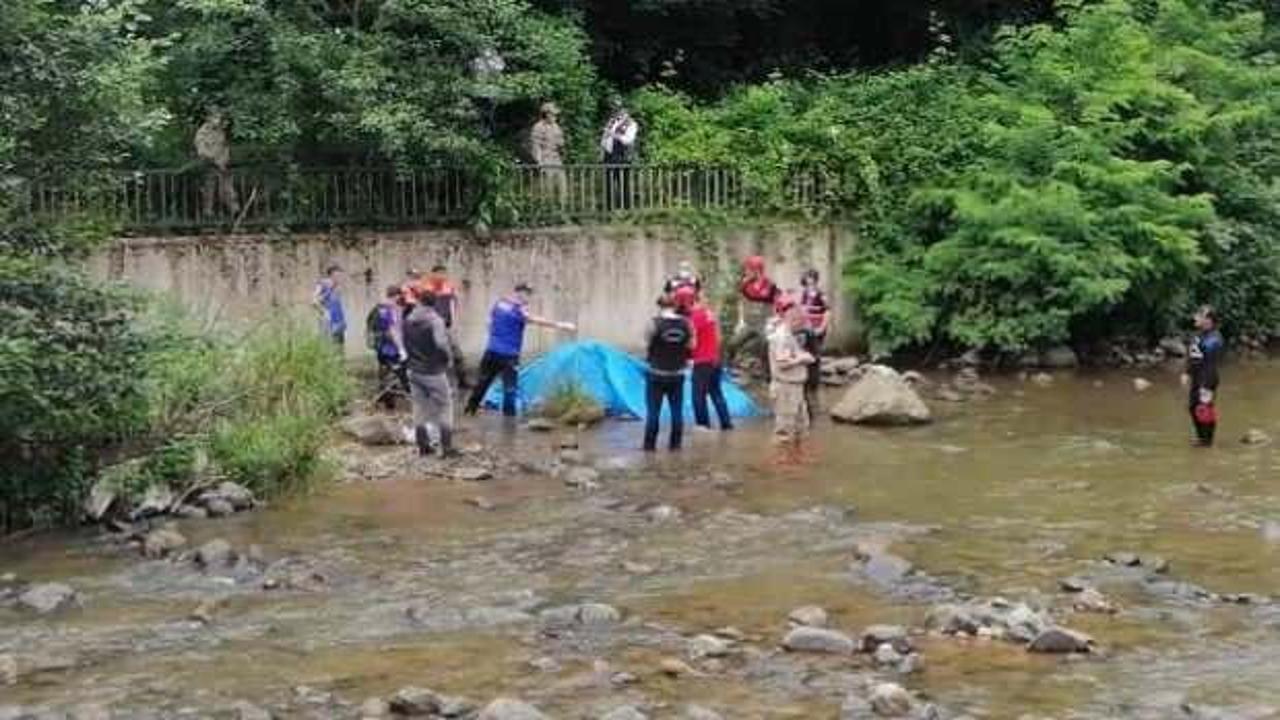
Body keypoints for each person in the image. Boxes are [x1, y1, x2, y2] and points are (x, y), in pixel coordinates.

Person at [464, 283, 576, 417]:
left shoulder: (500, 303)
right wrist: (561, 325)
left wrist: (494, 338)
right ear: (518, 292)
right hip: (509, 356)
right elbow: (536, 320)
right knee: (510, 389)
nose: (528, 297)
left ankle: (470, 411)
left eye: (530, 294)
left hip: (491, 351)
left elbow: (488, 322)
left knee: (482, 382)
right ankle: (509, 421)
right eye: (527, 293)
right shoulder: (519, 309)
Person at [403, 289, 457, 458]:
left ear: (419, 301)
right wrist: (449, 358)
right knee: (445, 406)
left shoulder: (408, 319)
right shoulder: (435, 321)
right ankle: (446, 448)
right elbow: (441, 343)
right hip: (432, 371)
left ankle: (423, 446)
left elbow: (405, 341)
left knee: (419, 407)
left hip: (413, 369)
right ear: (435, 304)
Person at [644, 287, 696, 451]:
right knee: (677, 412)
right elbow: (692, 345)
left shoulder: (653, 324)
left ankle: (649, 447)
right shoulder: (686, 324)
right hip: (677, 374)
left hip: (656, 373)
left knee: (653, 412)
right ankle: (675, 446)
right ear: (675, 305)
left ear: (659, 306)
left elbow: (646, 344)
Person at [769, 296, 816, 444]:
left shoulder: (790, 335)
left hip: (796, 387)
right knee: (784, 434)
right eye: (802, 321)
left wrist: (803, 356)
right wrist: (801, 359)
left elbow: (803, 356)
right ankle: (781, 464)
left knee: (801, 429)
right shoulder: (781, 336)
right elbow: (782, 363)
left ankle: (796, 462)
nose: (804, 325)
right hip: (785, 388)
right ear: (793, 318)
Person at [725, 255, 780, 379]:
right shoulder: (745, 284)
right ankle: (728, 369)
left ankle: (768, 375)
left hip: (764, 322)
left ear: (757, 270)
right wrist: (740, 321)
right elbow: (741, 301)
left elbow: (777, 302)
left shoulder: (770, 285)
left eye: (748, 269)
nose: (746, 272)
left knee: (765, 345)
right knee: (732, 343)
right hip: (749, 323)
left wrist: (774, 321)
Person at [1182, 305, 1225, 447]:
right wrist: (1187, 372)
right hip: (1196, 377)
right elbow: (1192, 356)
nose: (1195, 318)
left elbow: (1211, 365)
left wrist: (1205, 385)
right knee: (1192, 407)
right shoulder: (1197, 335)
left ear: (1208, 320)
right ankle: (1201, 438)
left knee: (1204, 409)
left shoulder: (1214, 339)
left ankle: (1207, 441)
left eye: (1199, 316)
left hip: (1208, 378)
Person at [420, 264, 469, 388]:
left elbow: (453, 305)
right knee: (436, 356)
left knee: (457, 354)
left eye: (444, 274)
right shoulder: (426, 289)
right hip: (432, 327)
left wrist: (454, 323)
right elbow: (424, 308)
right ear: (433, 274)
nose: (442, 277)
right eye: (440, 274)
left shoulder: (448, 287)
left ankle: (462, 380)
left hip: (447, 326)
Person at [690, 293, 733, 431]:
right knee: (716, 392)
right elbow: (719, 338)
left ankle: (703, 425)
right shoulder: (711, 315)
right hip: (715, 360)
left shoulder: (694, 317)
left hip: (701, 361)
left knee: (698, 395)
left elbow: (692, 342)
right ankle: (726, 424)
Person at [367, 284, 408, 409]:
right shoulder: (391, 309)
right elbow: (393, 331)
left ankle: (385, 398)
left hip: (379, 345)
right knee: (395, 372)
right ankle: (389, 399)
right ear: (397, 296)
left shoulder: (378, 307)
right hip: (390, 347)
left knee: (384, 370)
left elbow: (370, 326)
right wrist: (401, 348)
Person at [798, 268, 831, 419]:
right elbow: (801, 309)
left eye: (810, 277)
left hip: (817, 329)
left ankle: (813, 383)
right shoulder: (804, 293)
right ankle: (806, 380)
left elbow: (827, 312)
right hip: (807, 328)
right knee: (807, 354)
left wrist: (822, 327)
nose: (807, 279)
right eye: (806, 277)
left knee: (815, 355)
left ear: (814, 279)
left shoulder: (820, 294)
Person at [194, 109, 239, 218]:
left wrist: (224, 160)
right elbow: (201, 150)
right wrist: (213, 160)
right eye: (215, 117)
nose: (218, 120)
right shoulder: (202, 132)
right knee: (209, 191)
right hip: (209, 166)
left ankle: (234, 210)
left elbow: (225, 148)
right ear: (209, 119)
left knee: (227, 189)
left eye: (219, 118)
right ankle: (208, 214)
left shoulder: (220, 131)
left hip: (222, 165)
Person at [601, 99, 639, 211]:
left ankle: (626, 208)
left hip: (622, 157)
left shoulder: (631, 124)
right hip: (609, 156)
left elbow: (628, 140)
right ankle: (609, 208)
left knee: (623, 183)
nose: (615, 110)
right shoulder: (612, 121)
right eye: (615, 108)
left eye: (618, 108)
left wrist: (614, 135)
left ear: (625, 110)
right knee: (608, 183)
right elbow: (605, 137)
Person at [529, 102, 567, 205]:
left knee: (562, 186)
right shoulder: (538, 127)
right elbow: (535, 146)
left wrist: (561, 146)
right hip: (546, 160)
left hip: (557, 159)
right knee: (547, 188)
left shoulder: (556, 126)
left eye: (556, 114)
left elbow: (560, 142)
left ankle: (562, 210)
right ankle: (548, 212)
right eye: (553, 114)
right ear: (546, 114)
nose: (555, 116)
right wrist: (539, 163)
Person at [312, 265, 347, 348]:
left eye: (341, 276)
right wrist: (324, 313)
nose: (340, 278)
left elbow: (337, 304)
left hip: (338, 321)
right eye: (338, 276)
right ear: (332, 275)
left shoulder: (338, 287)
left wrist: (343, 320)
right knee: (328, 345)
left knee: (340, 346)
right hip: (328, 320)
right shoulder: (323, 283)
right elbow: (314, 301)